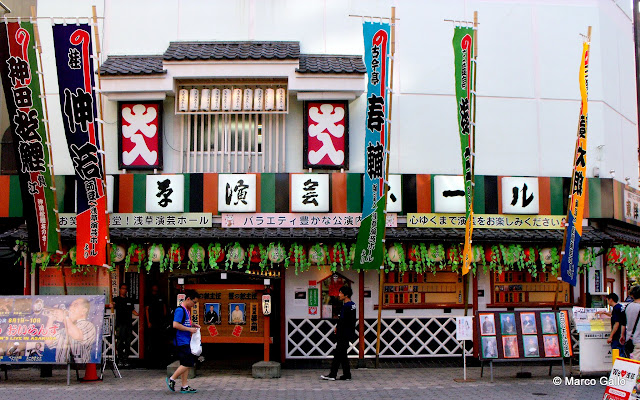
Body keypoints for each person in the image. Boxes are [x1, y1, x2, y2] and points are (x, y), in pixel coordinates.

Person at [166, 289, 200, 394]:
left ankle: (184, 386)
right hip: (181, 340)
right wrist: (190, 329)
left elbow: (185, 323)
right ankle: (172, 379)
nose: (194, 305)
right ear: (188, 299)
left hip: (186, 340)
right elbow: (175, 324)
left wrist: (193, 325)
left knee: (185, 363)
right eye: (194, 302)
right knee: (188, 362)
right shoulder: (180, 310)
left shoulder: (186, 310)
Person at [44, 298, 97, 363]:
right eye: (70, 305)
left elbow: (77, 335)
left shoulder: (88, 325)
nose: (70, 308)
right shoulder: (64, 330)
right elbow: (48, 341)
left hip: (81, 367)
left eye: (75, 305)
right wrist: (51, 318)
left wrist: (65, 317)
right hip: (62, 366)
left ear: (84, 311)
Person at [321, 285, 356, 381]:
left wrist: (337, 329)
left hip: (343, 333)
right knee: (343, 354)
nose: (339, 294)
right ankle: (347, 374)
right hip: (349, 332)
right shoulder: (353, 305)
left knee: (337, 354)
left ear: (346, 295)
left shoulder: (346, 306)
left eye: (341, 293)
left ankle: (332, 374)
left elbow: (342, 320)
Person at [111, 283, 138, 368]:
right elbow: (111, 306)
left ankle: (126, 359)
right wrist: (111, 305)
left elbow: (133, 311)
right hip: (119, 324)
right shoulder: (116, 299)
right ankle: (120, 359)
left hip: (128, 324)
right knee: (119, 342)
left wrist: (139, 315)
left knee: (127, 342)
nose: (124, 290)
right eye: (123, 288)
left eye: (125, 289)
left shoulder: (129, 300)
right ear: (119, 289)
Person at [596, 292, 627, 357]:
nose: (607, 302)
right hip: (622, 333)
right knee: (622, 353)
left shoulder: (615, 308)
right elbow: (613, 315)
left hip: (617, 335)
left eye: (607, 300)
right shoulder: (620, 307)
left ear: (611, 300)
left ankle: (618, 367)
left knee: (617, 353)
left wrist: (611, 336)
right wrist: (604, 313)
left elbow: (617, 323)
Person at [145, 284, 167, 366]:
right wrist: (148, 322)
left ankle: (160, 360)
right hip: (152, 321)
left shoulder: (161, 296)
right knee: (152, 341)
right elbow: (146, 309)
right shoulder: (149, 297)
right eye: (154, 290)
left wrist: (164, 318)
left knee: (160, 341)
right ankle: (152, 360)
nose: (155, 291)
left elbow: (164, 307)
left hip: (160, 321)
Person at [624, 286, 640, 360]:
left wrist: (622, 335)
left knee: (633, 366)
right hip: (638, 340)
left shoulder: (628, 306)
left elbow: (623, 322)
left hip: (630, 339)